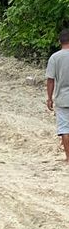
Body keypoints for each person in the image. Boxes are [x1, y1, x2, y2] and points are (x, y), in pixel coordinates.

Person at [46, 29, 69, 163]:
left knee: (65, 128)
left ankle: (68, 158)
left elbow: (50, 80)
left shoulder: (55, 57)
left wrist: (49, 98)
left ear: (60, 41)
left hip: (62, 98)